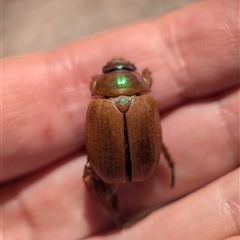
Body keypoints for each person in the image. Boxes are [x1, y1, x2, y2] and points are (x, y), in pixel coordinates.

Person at [2, 0, 239, 239]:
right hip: (144, 165)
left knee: (90, 172)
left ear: (99, 83)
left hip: (108, 169)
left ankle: (109, 203)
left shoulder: (97, 99)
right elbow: (156, 134)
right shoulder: (145, 96)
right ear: (139, 78)